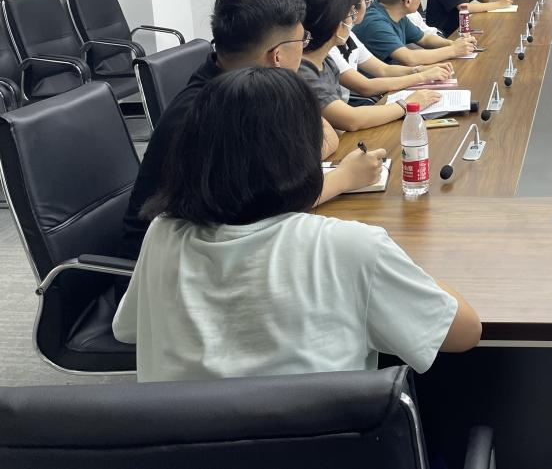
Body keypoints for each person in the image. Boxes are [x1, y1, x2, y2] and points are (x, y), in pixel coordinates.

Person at [114, 67, 481, 382]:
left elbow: (130, 330)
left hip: (179, 437)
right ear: (300, 151)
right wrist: (399, 265)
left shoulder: (163, 233)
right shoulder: (351, 248)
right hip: (324, 436)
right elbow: (464, 332)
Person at [117, 0, 381, 261]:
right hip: (169, 262)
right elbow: (265, 207)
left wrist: (294, 165)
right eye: (303, 41)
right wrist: (345, 177)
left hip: (218, 242)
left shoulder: (246, 83)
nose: (305, 49)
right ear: (277, 56)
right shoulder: (212, 113)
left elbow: (325, 138)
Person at [297, 0, 440, 132]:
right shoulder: (305, 71)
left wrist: (420, 73)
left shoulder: (325, 60)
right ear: (337, 26)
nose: (353, 20)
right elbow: (351, 119)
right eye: (350, 15)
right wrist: (408, 104)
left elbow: (383, 70)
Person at [319, 0, 452, 104]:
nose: (367, 4)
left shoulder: (349, 35)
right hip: (358, 101)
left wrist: (420, 70)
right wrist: (422, 76)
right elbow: (366, 87)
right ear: (351, 9)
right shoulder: (331, 45)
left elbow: (383, 69)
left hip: (360, 98)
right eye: (365, 0)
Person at [358, 0, 476, 65]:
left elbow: (424, 39)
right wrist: (453, 50)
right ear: (408, 1)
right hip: (375, 85)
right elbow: (410, 58)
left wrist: (454, 44)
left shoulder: (397, 15)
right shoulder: (376, 23)